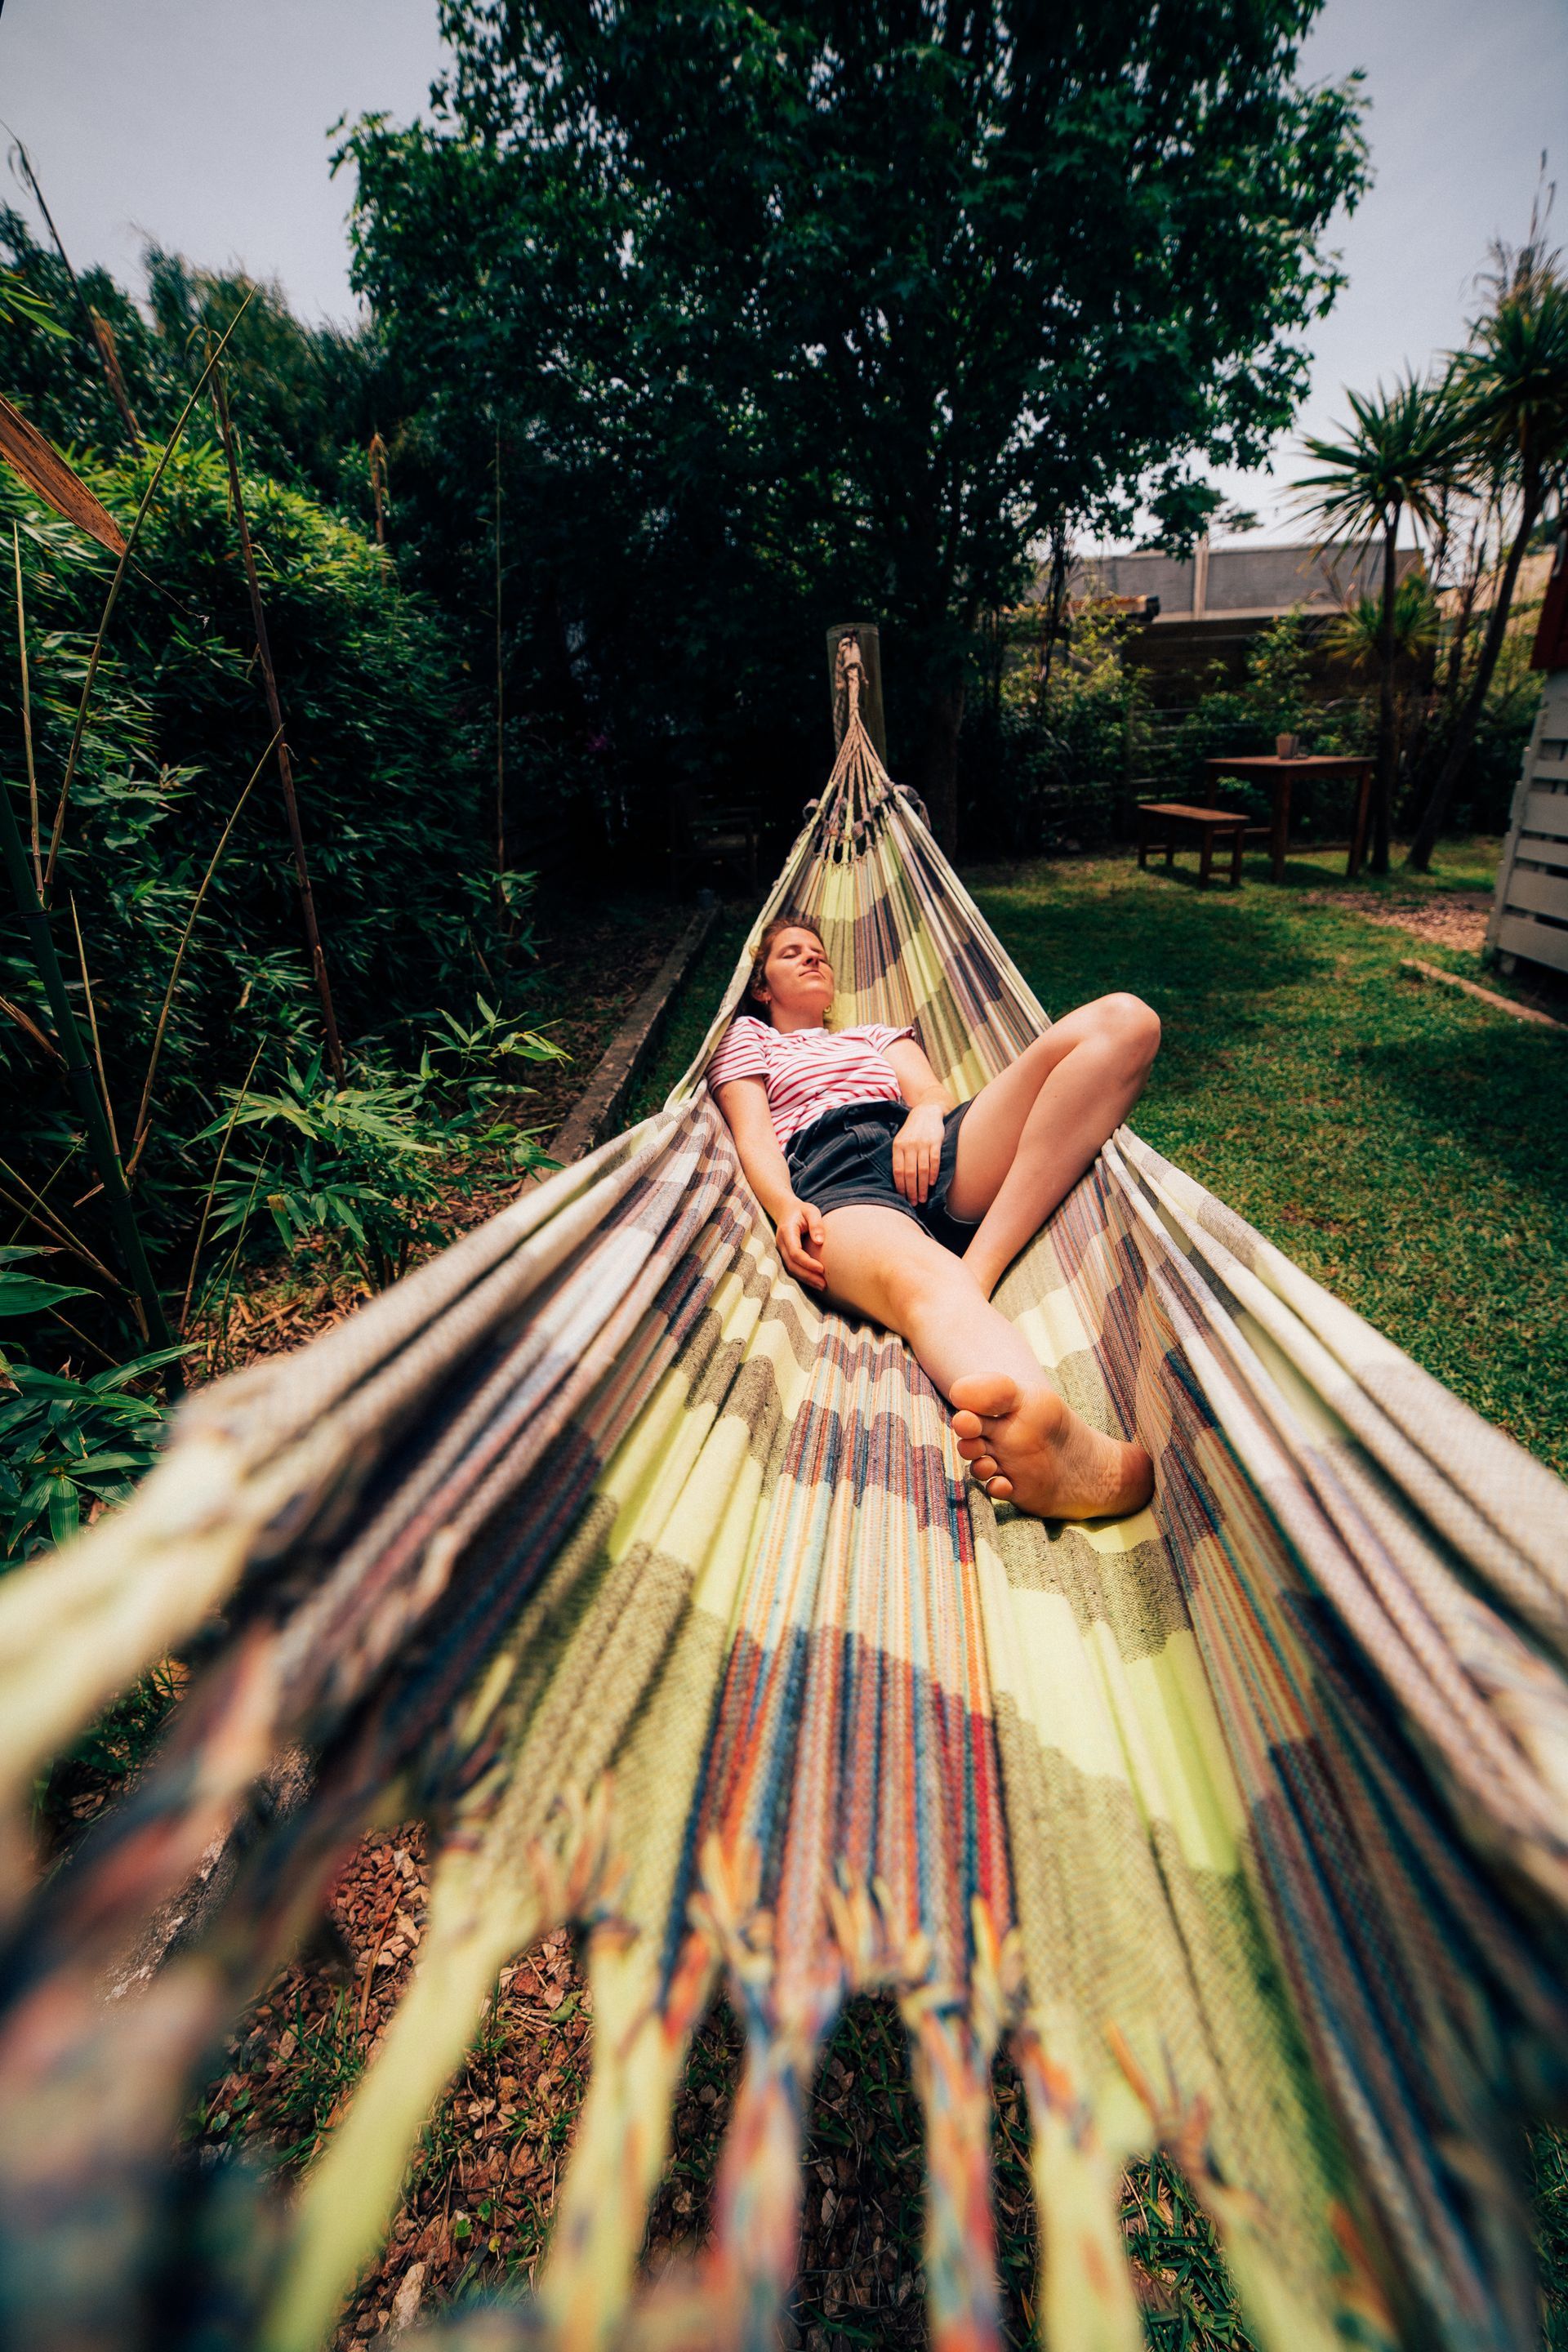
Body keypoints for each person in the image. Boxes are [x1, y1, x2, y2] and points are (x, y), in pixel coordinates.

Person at [707, 917, 1159, 1520]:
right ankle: (1048, 1440)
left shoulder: (876, 1034)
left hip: (924, 1147)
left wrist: (925, 1116)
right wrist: (787, 1206)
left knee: (1126, 1022)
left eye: (819, 953)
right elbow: (754, 1137)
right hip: (833, 1173)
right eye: (793, 954)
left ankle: (978, 1269)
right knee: (924, 1282)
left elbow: (929, 1092)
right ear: (762, 987)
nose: (813, 959)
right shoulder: (750, 1039)